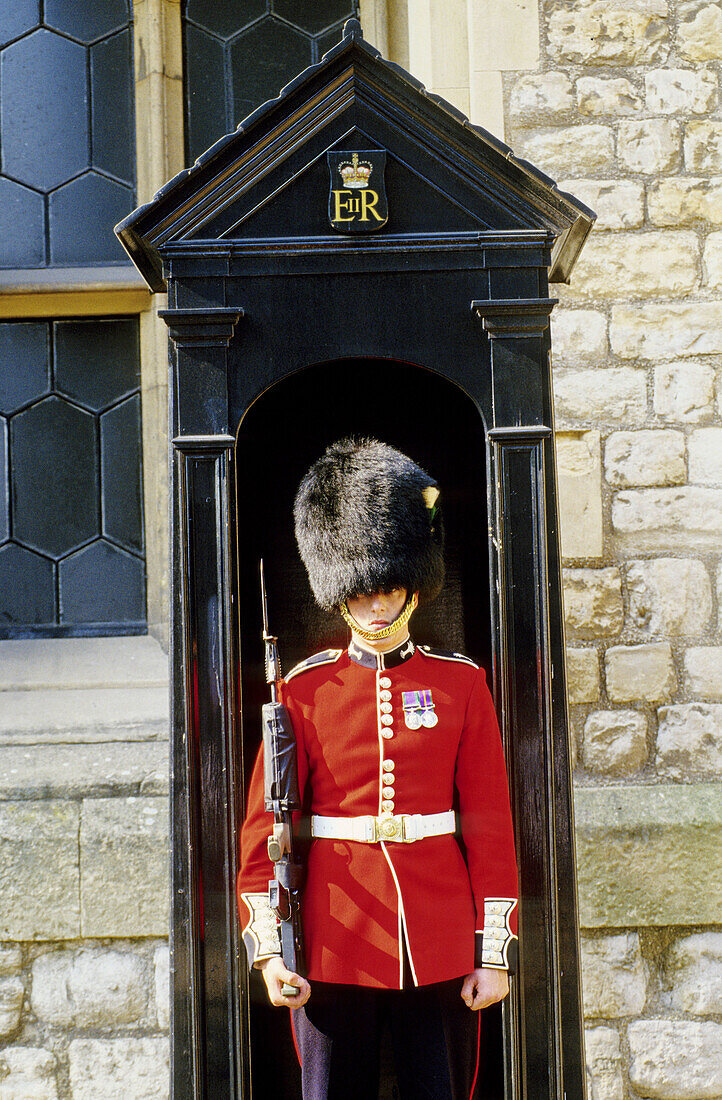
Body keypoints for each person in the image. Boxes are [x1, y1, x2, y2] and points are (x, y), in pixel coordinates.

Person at [237, 437, 518, 1100]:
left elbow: (491, 827)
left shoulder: (461, 686)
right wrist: (271, 949)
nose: (377, 606)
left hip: (442, 935)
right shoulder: (305, 691)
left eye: (389, 588)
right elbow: (262, 831)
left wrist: (492, 954)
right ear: (340, 597)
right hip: (335, 936)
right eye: (361, 594)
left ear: (414, 586)